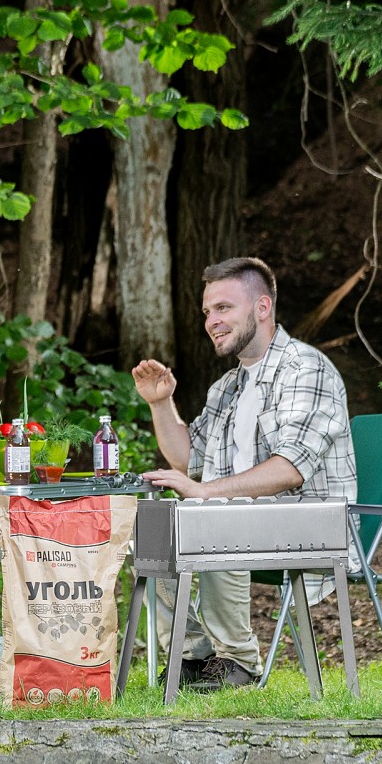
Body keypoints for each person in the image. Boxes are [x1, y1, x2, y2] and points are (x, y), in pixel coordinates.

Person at [132, 256, 356, 690]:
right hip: (247, 519)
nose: (211, 321)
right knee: (152, 528)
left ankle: (238, 662)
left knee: (217, 517)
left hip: (310, 521)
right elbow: (188, 459)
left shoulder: (305, 369)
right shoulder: (228, 386)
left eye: (223, 308)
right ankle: (193, 657)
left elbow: (291, 467)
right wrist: (159, 403)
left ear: (262, 307)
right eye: (207, 312)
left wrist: (207, 493)